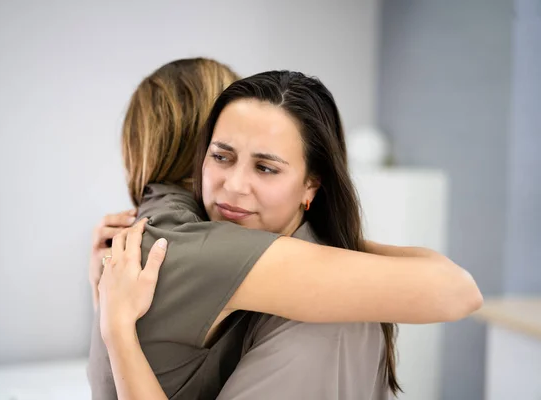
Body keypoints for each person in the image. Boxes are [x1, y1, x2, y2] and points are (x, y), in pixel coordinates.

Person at [88, 66, 483, 400]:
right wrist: (115, 330)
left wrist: (333, 247)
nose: (236, 186)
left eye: (265, 167)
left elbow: (461, 291)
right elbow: (456, 290)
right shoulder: (197, 245)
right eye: (222, 156)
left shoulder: (187, 237)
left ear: (312, 186)